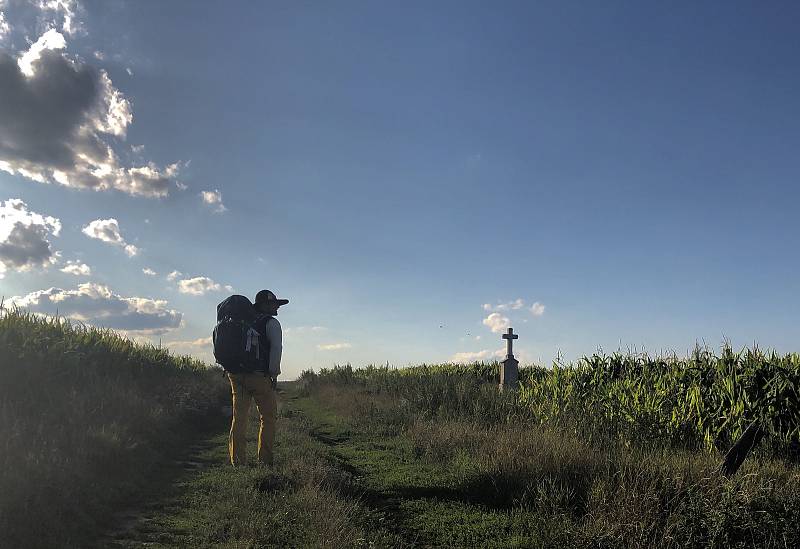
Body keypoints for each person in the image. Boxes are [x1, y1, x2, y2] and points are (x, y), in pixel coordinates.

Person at [227, 289, 287, 466]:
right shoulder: (271, 323)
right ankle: (265, 461)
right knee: (267, 418)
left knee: (239, 417)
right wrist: (273, 374)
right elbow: (276, 349)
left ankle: (237, 461)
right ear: (266, 305)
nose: (277, 307)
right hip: (259, 376)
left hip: (236, 375)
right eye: (274, 303)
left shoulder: (244, 322)